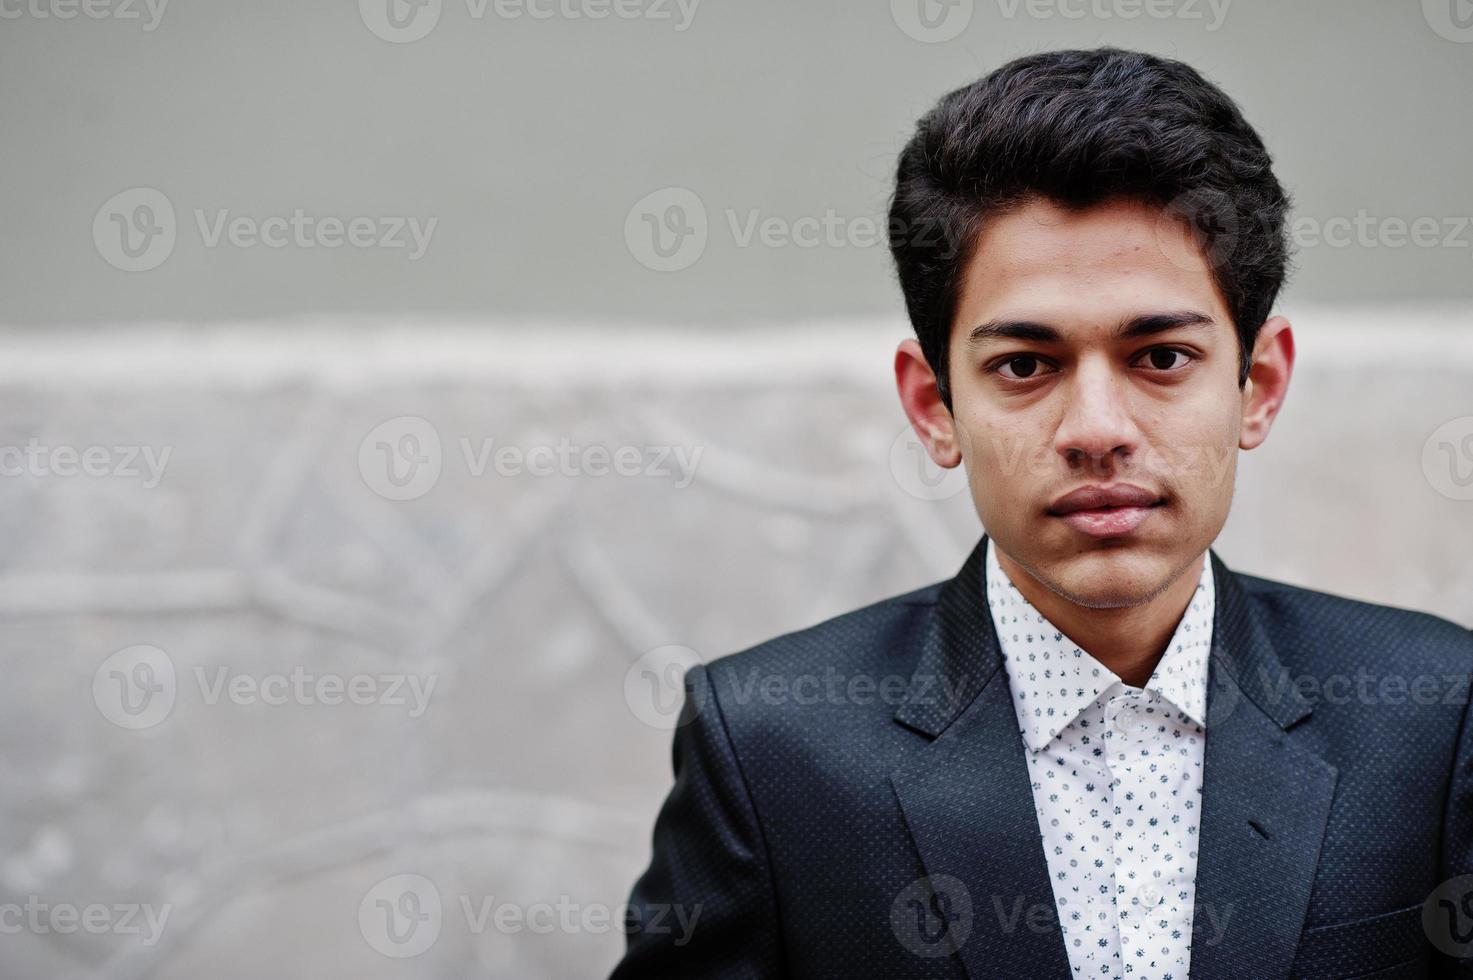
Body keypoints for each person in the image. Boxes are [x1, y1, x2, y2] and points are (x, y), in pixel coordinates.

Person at [611, 47, 1473, 979]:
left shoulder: (1434, 716)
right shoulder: (769, 749)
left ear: (1256, 384)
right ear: (933, 405)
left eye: (1160, 358)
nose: (1096, 431)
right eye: (1025, 365)